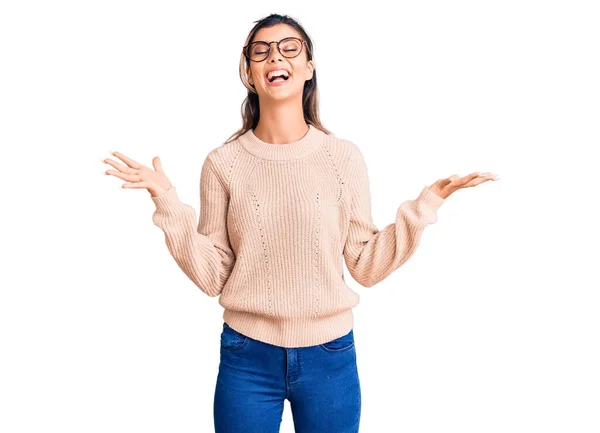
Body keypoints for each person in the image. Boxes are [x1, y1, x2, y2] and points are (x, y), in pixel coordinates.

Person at [102, 13, 498, 433]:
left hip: (330, 355)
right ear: (249, 73)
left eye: (290, 48)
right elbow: (213, 275)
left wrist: (425, 206)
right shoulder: (223, 163)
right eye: (262, 51)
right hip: (246, 356)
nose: (276, 56)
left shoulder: (342, 157)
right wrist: (167, 202)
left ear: (308, 67)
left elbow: (366, 265)